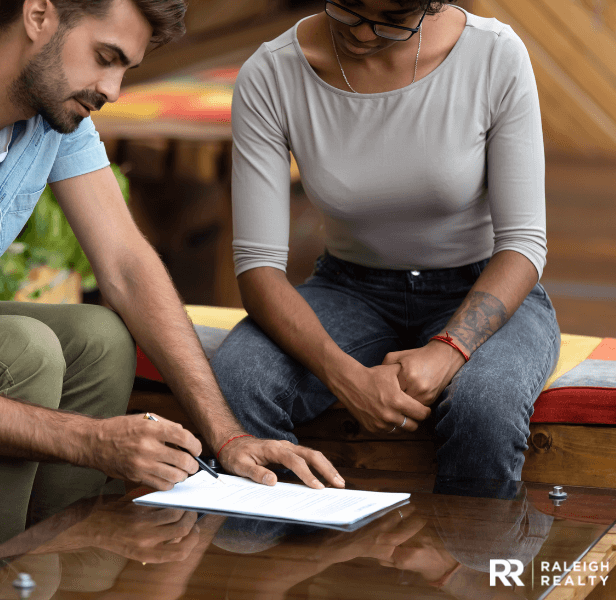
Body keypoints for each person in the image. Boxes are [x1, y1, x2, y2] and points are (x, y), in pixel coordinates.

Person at [0, 0, 346, 544]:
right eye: (105, 57)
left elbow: (127, 265)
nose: (112, 89)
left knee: (100, 338)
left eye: (124, 69)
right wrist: (90, 441)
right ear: (39, 15)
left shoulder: (47, 99)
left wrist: (226, 436)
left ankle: (56, 562)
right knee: (21, 349)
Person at [211, 0, 559, 481]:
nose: (364, 34)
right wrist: (345, 377)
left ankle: (470, 555)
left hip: (482, 284)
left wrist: (448, 350)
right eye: (348, 8)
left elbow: (523, 244)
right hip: (348, 287)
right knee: (237, 381)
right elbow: (258, 267)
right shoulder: (272, 73)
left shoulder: (495, 55)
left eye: (392, 21)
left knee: (486, 405)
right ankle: (294, 540)